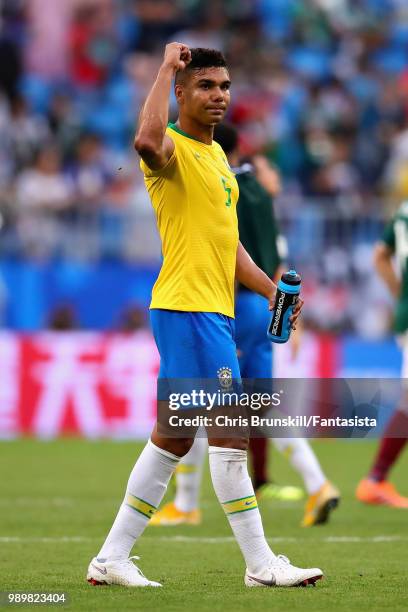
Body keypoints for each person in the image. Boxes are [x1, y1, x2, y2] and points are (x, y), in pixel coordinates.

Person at [86, 43, 323, 588]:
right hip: (188, 308)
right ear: (181, 94)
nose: (218, 96)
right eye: (205, 86)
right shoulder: (170, 146)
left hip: (207, 311)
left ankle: (110, 558)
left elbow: (229, 244)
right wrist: (167, 65)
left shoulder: (219, 160)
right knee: (231, 431)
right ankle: (260, 564)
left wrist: (268, 291)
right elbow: (144, 140)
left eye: (224, 86)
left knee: (171, 437)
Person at [150, 122, 339, 529]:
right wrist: (280, 301)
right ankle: (317, 483)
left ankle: (186, 503)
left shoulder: (215, 182)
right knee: (257, 404)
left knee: (204, 408)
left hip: (224, 301)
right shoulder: (260, 196)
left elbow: (221, 244)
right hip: (263, 302)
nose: (271, 172)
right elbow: (275, 255)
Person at [356, 201, 408, 508]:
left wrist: (401, 296)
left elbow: (380, 256)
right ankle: (375, 479)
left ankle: (376, 479)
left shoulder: (402, 208)